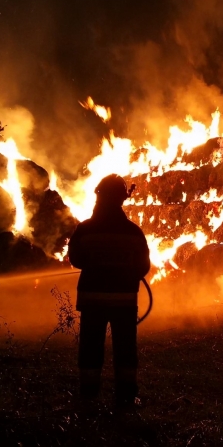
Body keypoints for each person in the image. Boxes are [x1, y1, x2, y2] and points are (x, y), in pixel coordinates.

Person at [68, 174, 151, 407]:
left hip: (92, 299)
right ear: (122, 199)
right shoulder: (133, 232)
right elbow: (143, 266)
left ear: (99, 196)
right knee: (125, 348)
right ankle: (126, 396)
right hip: (124, 300)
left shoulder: (84, 229)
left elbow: (75, 259)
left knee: (90, 347)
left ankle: (88, 395)